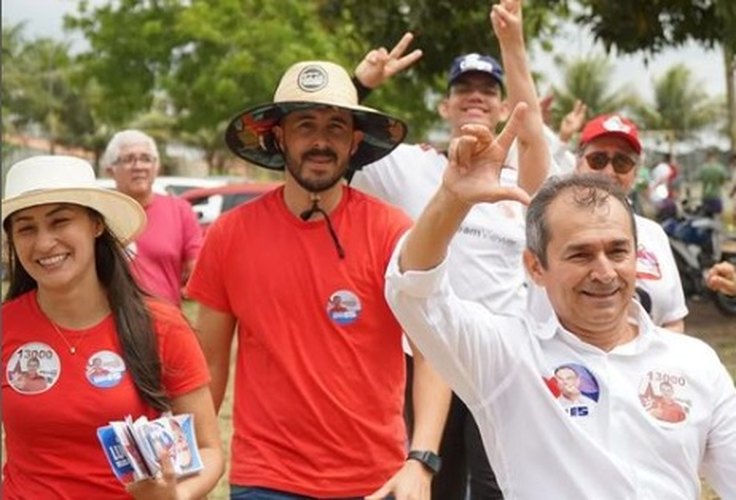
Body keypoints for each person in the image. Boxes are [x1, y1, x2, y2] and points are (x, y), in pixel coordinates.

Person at [384, 117, 736, 497]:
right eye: (580, 254)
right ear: (536, 267)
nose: (604, 272)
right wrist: (452, 199)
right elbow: (414, 293)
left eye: (617, 251)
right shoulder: (506, 356)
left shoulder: (696, 363)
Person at [187, 60, 449, 499]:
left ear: (354, 143)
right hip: (266, 479)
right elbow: (208, 365)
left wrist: (421, 461)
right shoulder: (229, 236)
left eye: (336, 127)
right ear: (278, 137)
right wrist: (192, 460)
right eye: (305, 125)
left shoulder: (390, 231)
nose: (321, 141)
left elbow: (432, 353)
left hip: (375, 479)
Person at [351, 1, 548, 497]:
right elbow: (341, 143)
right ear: (444, 107)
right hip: (426, 359)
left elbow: (531, 134)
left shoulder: (517, 184)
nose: (475, 98)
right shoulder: (412, 168)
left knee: (496, 487)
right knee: (426, 483)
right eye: (463, 90)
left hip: (500, 362)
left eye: (488, 92)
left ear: (504, 108)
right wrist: (362, 86)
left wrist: (514, 46)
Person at [1, 155, 224, 499]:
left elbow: (209, 451)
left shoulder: (161, 326)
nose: (44, 243)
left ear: (96, 224)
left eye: (60, 221)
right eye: (26, 227)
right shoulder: (6, 325)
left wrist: (174, 496)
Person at [527, 114, 688, 332]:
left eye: (622, 162)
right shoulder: (547, 220)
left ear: (635, 171)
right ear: (577, 161)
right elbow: (529, 132)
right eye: (598, 160)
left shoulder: (653, 233)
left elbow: (673, 319)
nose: (609, 172)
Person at [102, 130, 202, 306]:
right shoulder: (99, 215)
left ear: (156, 167)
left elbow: (198, 273)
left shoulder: (180, 210)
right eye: (128, 159)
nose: (138, 166)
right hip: (110, 324)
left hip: (166, 325)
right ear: (111, 170)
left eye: (146, 159)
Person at [697, 149, 729, 217]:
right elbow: (723, 182)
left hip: (706, 195)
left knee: (706, 217)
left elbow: (700, 180)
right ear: (715, 157)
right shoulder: (720, 168)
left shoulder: (703, 168)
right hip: (716, 195)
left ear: (707, 157)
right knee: (718, 218)